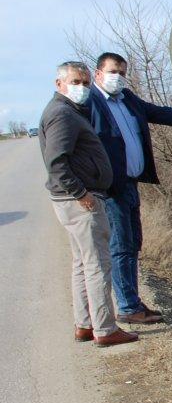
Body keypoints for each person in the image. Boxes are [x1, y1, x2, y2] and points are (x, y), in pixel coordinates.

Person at [89, 52, 172, 324]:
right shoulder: (89, 103)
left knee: (133, 244)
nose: (119, 77)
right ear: (98, 73)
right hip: (109, 189)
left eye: (124, 73)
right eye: (114, 71)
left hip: (130, 183)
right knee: (121, 246)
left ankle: (133, 301)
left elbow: (159, 113)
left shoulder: (127, 99)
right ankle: (128, 307)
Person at [39, 61, 138, 347]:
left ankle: (85, 325)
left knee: (83, 263)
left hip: (74, 199)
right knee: (97, 264)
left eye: (84, 82)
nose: (81, 88)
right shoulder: (62, 114)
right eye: (75, 82)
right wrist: (81, 193)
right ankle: (105, 329)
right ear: (59, 84)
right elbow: (56, 161)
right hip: (79, 201)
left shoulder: (70, 111)